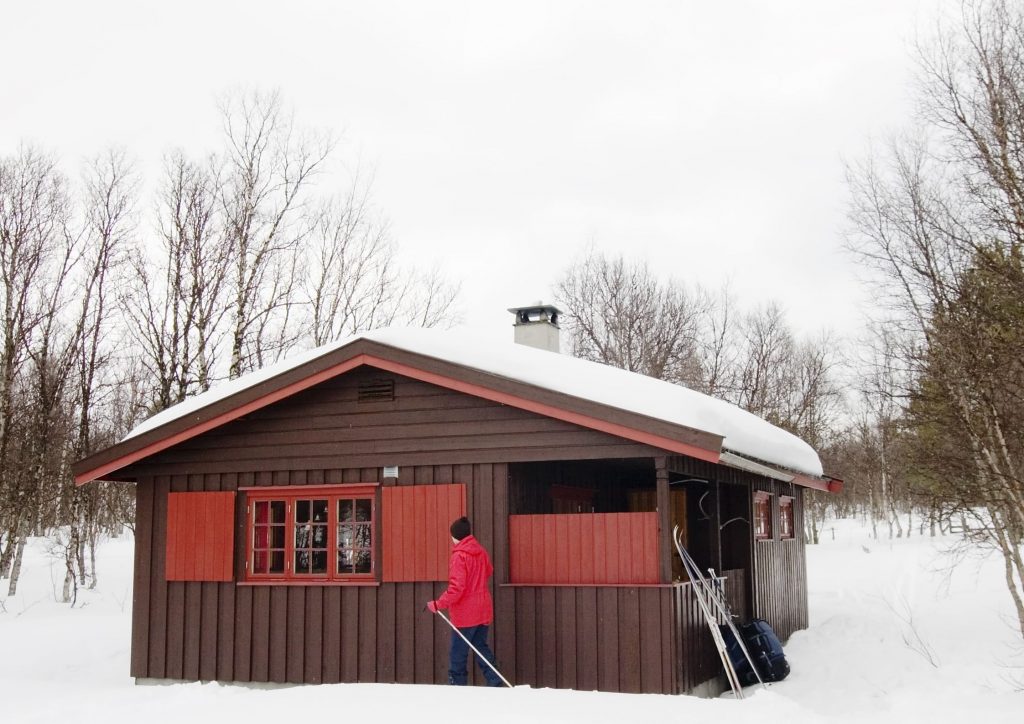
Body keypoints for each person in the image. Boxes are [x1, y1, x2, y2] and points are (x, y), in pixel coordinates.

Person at [426, 516, 504, 686]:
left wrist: (438, 604)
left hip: (465, 613)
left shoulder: (459, 556)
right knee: (480, 647)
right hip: (483, 608)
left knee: (458, 654)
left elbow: (457, 588)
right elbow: (488, 571)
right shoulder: (480, 551)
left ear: (455, 537)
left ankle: (458, 688)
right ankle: (495, 680)